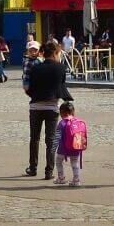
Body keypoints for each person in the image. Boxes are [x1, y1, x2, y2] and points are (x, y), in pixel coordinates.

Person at [24, 40, 73, 179]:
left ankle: (33, 168)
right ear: (56, 53)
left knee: (34, 138)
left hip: (35, 107)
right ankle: (49, 171)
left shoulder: (35, 68)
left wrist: (35, 96)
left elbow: (29, 88)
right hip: (52, 107)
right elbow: (61, 87)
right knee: (50, 140)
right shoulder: (60, 68)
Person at [55, 101, 86, 187]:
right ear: (73, 112)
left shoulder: (61, 123)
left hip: (63, 148)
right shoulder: (78, 122)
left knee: (58, 161)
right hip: (76, 147)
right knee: (75, 163)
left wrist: (53, 148)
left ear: (61, 113)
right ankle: (76, 180)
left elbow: (57, 137)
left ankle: (61, 178)